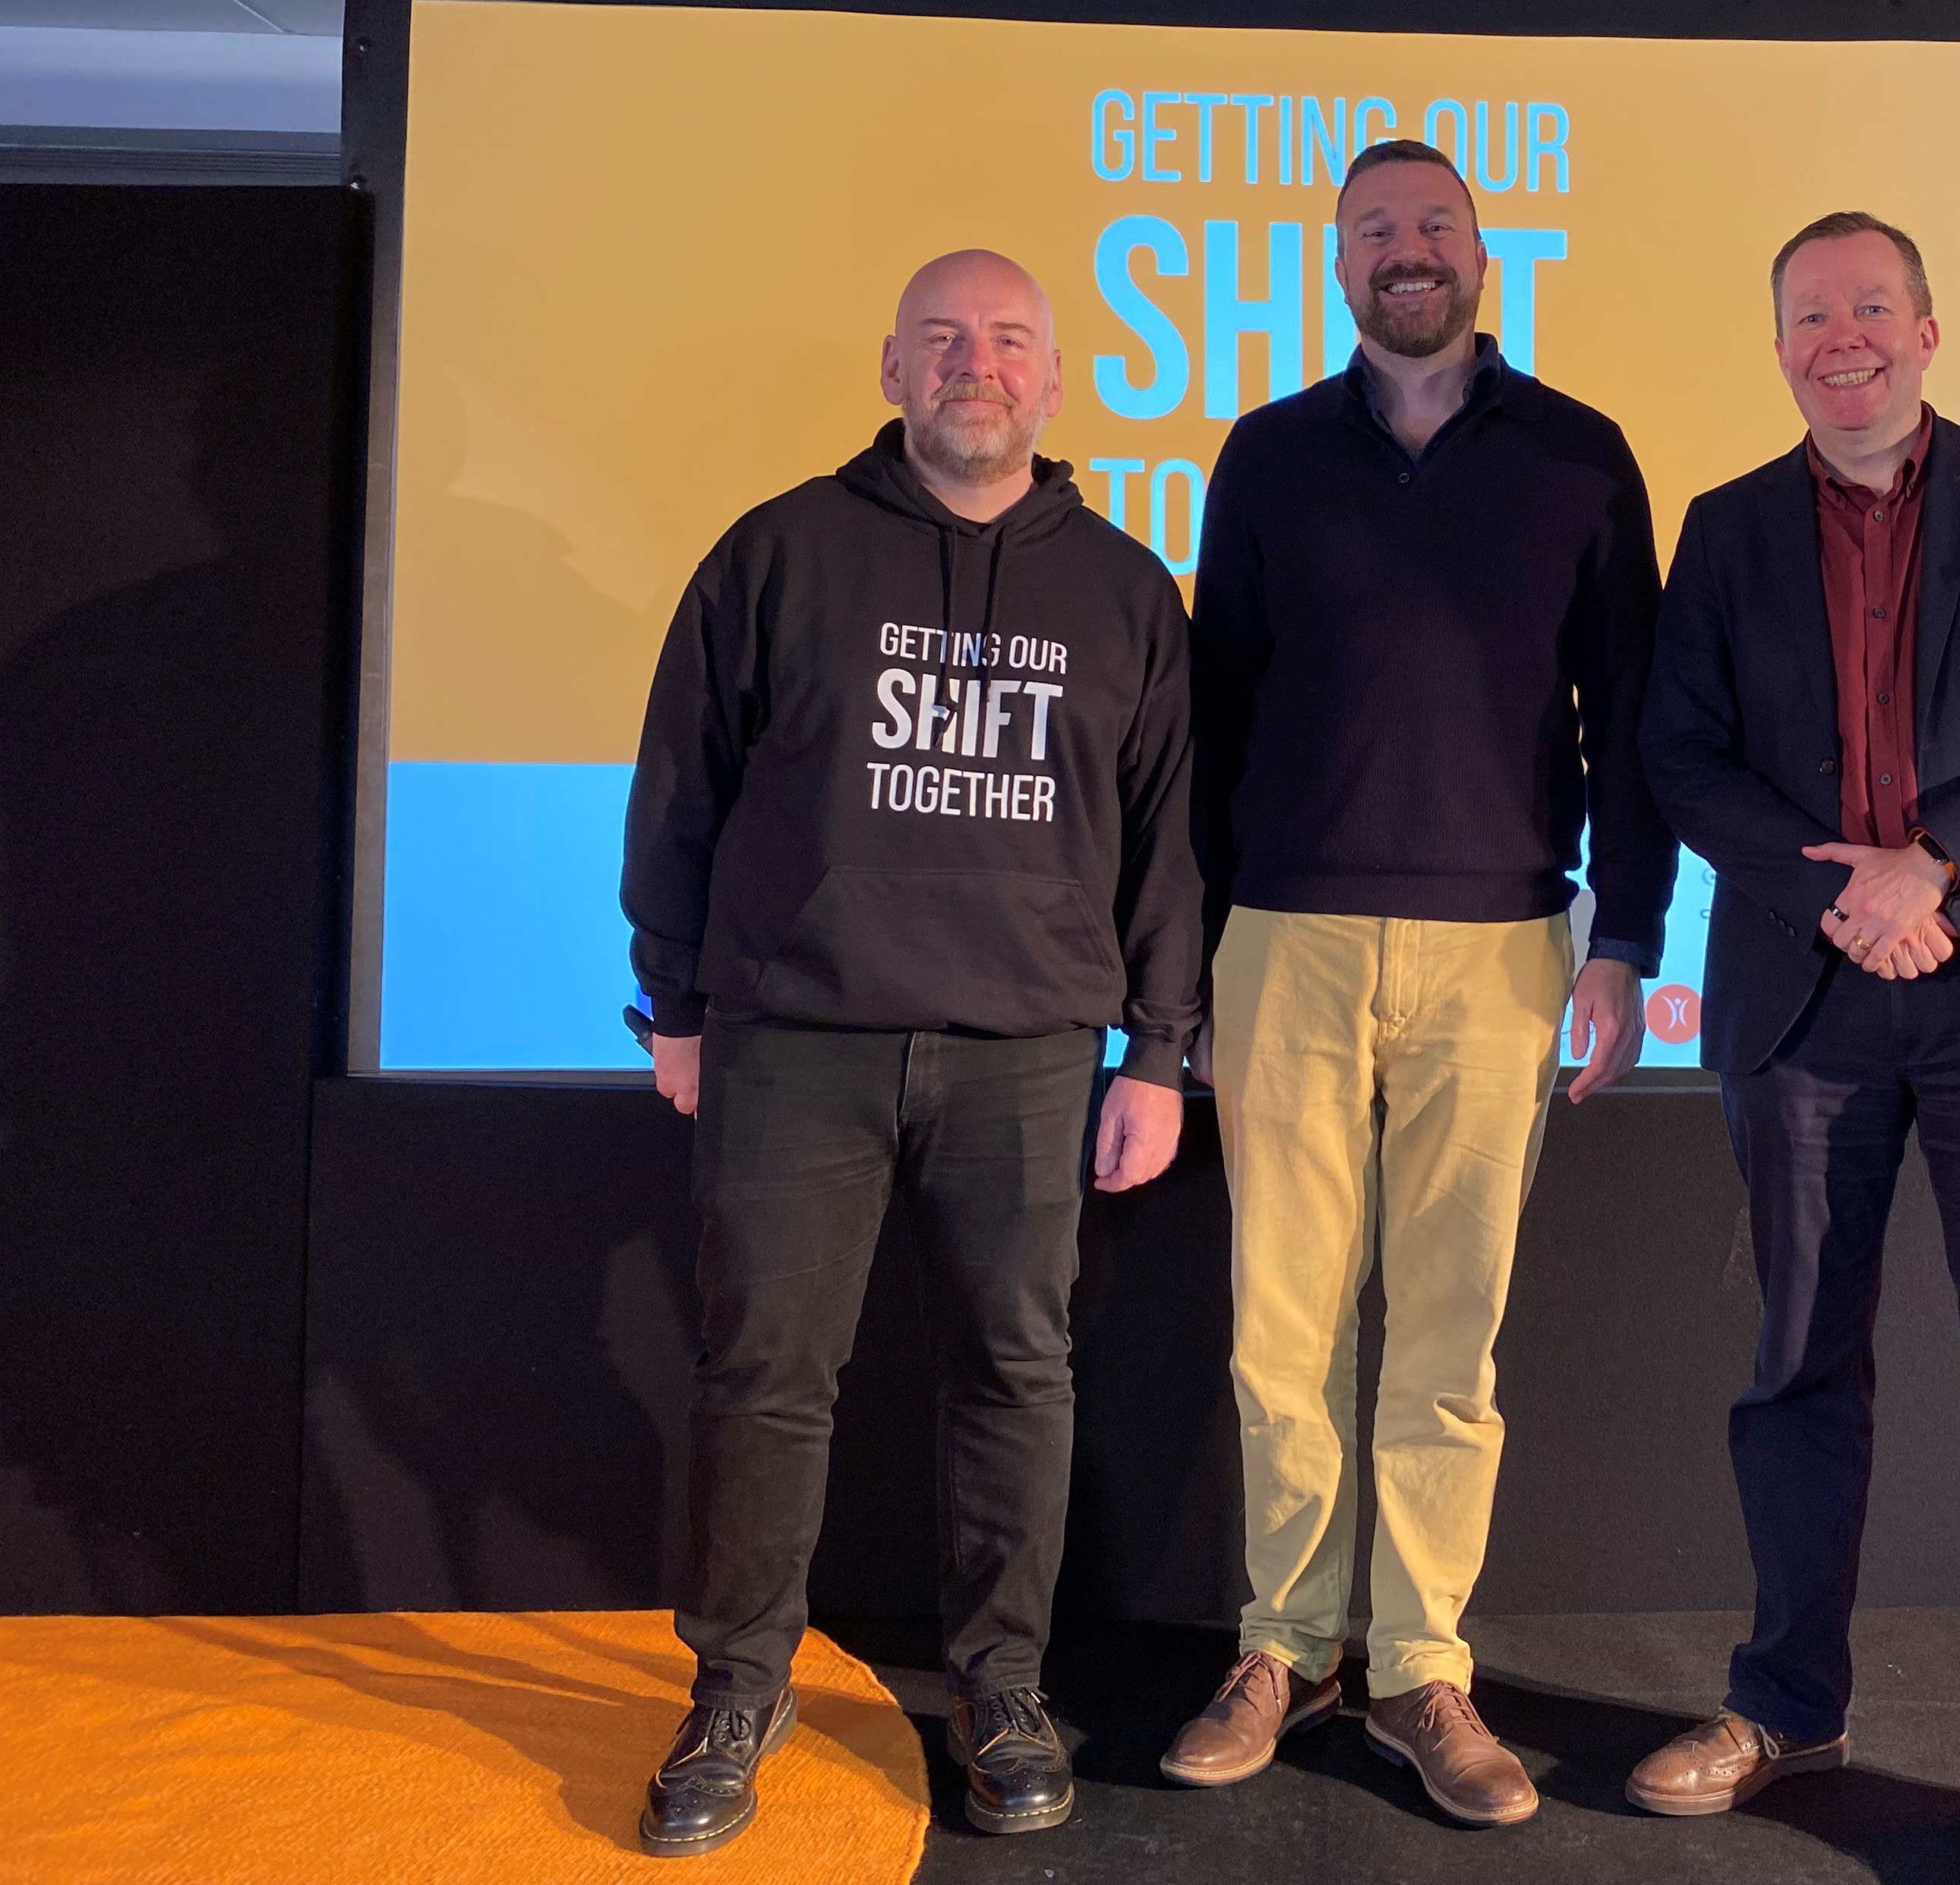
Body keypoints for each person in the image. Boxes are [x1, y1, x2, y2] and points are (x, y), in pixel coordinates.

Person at [620, 249, 1201, 1854]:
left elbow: (1167, 846)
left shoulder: (1127, 589)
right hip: (792, 1041)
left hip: (1026, 1050)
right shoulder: (780, 553)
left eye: (1010, 341)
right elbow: (681, 788)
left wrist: (1160, 1053)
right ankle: (737, 1690)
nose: (978, 365)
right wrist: (671, 1004)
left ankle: (1002, 1690)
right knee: (764, 1382)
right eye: (945, 339)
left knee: (1018, 1374)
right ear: (891, 370)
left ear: (1055, 381)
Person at [1160, 138, 1674, 1827]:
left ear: (1479, 248)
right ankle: (1284, 1643)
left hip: (1505, 948)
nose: (1407, 249)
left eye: (1433, 223)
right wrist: (1194, 973)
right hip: (1287, 940)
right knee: (1279, 1330)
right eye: (1375, 226)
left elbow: (1634, 722)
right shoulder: (1267, 455)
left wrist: (1628, 937)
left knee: (1448, 1340)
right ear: (1335, 259)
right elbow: (1208, 722)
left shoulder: (1582, 459)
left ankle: (1422, 1670)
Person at [1630, 212, 1960, 1885]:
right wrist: (1841, 898)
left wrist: (1939, 868)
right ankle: (1788, 1708)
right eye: (1806, 316)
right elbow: (1679, 755)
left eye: (1866, 309)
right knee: (1795, 1369)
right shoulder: (1721, 530)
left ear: (1926, 327)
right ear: (1779, 346)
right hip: (1805, 986)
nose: (1837, 339)